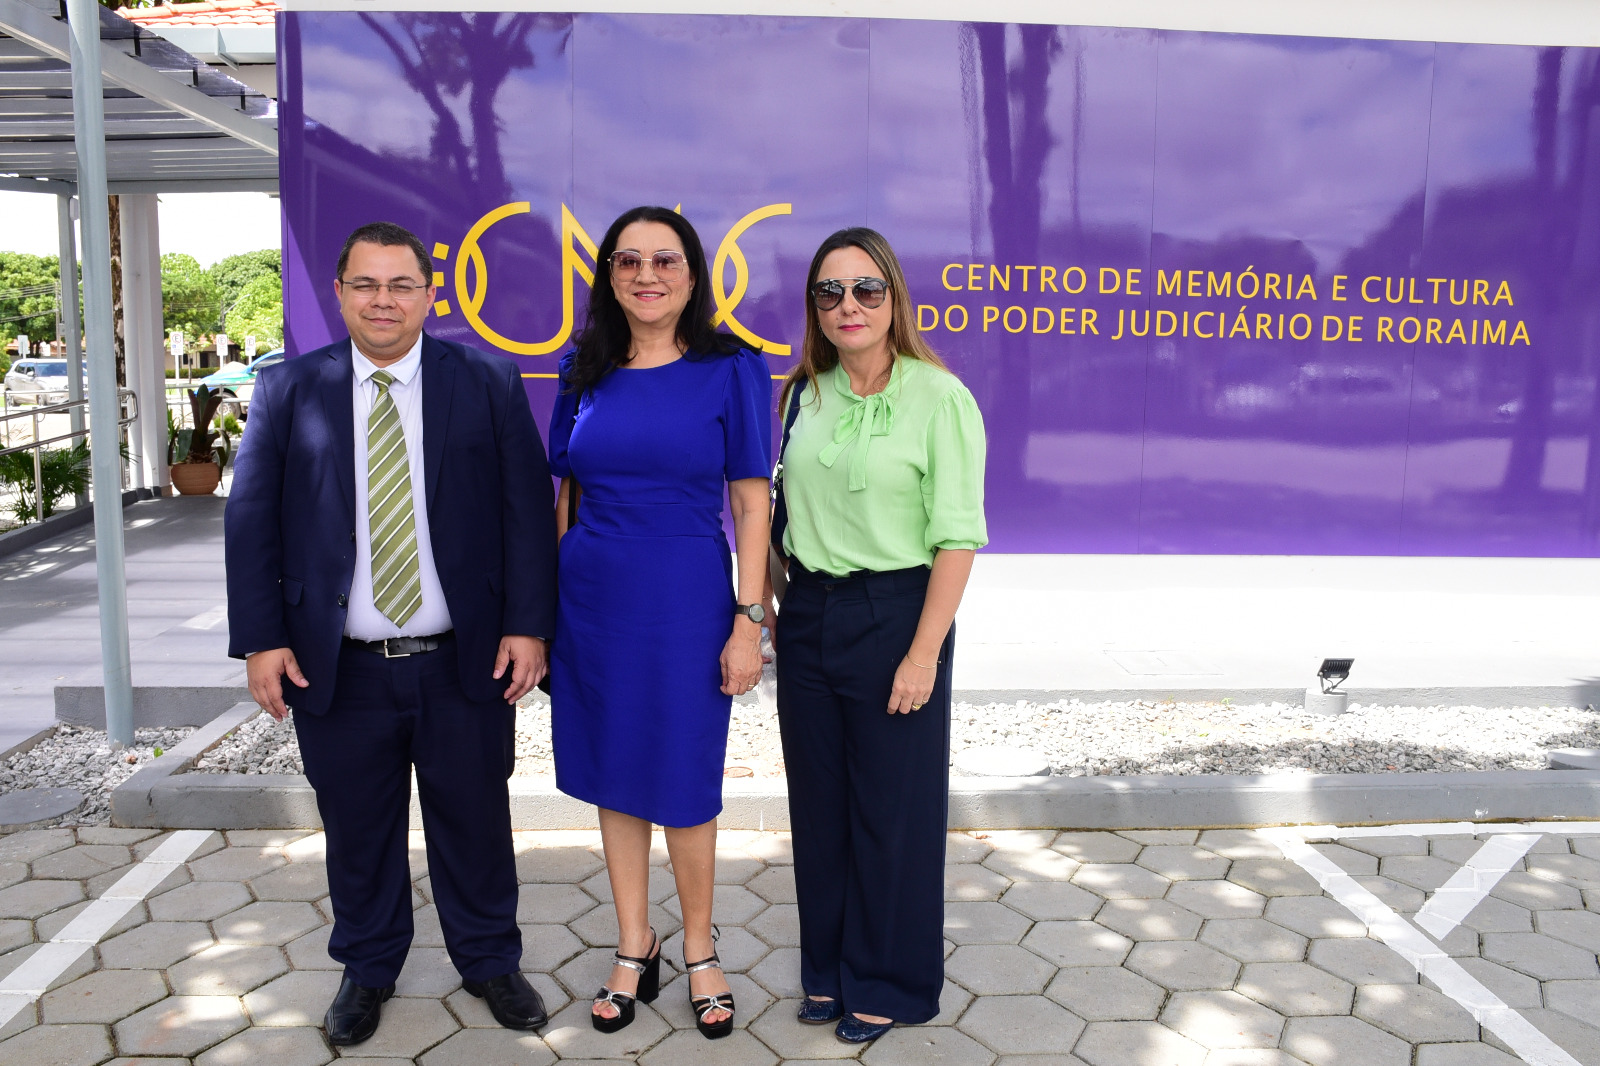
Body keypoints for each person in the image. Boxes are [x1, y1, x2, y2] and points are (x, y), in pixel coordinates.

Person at [226, 221, 558, 1046]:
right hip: (337, 667)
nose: (384, 300)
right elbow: (251, 521)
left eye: (402, 284)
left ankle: (489, 960)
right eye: (367, 284)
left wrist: (528, 627)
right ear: (339, 293)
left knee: (475, 822)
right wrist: (262, 639)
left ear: (430, 295)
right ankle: (368, 968)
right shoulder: (287, 389)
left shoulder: (485, 380)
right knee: (357, 828)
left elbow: (526, 512)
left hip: (462, 660)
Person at [547, 206, 772, 1039]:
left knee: (683, 774)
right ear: (609, 275)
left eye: (665, 261)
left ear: (692, 275)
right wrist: (546, 610)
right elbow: (566, 494)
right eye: (629, 261)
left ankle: (701, 947)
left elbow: (751, 504)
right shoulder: (583, 369)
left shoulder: (731, 369)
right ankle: (633, 942)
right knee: (613, 768)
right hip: (592, 603)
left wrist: (748, 619)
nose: (647, 275)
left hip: (685, 602)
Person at [771, 227, 988, 1044]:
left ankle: (889, 980)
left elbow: (957, 538)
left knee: (892, 812)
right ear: (814, 307)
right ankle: (828, 972)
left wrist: (923, 653)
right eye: (829, 291)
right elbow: (782, 514)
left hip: (899, 614)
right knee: (820, 808)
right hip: (811, 613)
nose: (848, 305)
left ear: (894, 297)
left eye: (866, 288)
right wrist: (776, 605)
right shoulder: (804, 394)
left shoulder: (941, 398)